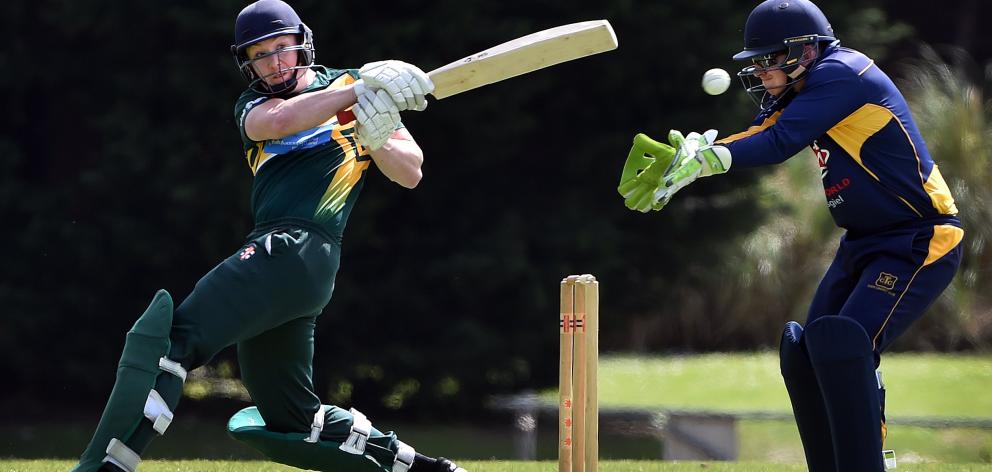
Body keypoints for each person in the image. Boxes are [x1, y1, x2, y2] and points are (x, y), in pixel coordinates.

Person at [71, 1, 466, 471]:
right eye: (261, 55)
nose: (275, 62)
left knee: (172, 343)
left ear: (303, 45)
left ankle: (105, 467)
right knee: (292, 417)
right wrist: (358, 92)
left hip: (296, 249)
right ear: (248, 63)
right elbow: (280, 122)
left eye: (283, 49)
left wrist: (377, 135)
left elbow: (412, 171)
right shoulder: (259, 105)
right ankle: (429, 469)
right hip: (291, 262)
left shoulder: (355, 88)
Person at [618, 0, 963, 470]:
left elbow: (780, 142)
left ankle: (869, 464)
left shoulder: (845, 73)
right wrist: (700, 156)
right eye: (756, 63)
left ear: (804, 51)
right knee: (806, 353)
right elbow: (765, 130)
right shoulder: (812, 88)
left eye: (769, 60)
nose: (761, 73)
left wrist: (707, 161)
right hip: (863, 241)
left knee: (845, 344)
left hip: (920, 238)